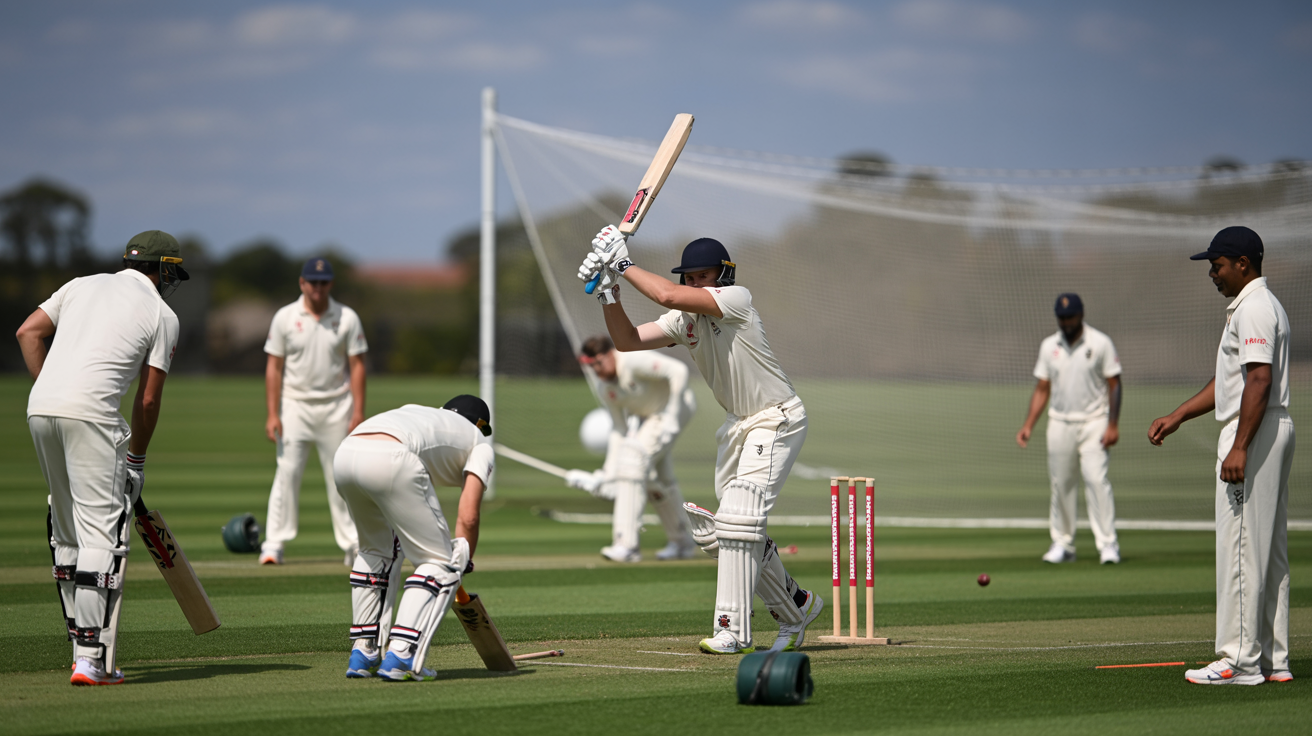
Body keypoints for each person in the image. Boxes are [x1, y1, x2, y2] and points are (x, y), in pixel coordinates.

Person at [578, 227, 822, 654]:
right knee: (724, 532)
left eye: (702, 276)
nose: (694, 284)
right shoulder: (683, 321)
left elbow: (668, 296)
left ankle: (731, 631)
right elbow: (627, 341)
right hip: (736, 426)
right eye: (689, 278)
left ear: (723, 275)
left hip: (776, 418)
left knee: (738, 523)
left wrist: (622, 263)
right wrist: (608, 293)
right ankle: (796, 607)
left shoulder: (736, 299)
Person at [17, 230, 187, 686]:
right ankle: (91, 658)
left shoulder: (80, 284)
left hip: (40, 407)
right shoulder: (161, 313)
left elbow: (28, 332)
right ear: (163, 268)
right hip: (93, 416)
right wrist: (136, 461)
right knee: (101, 535)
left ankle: (79, 647)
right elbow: (148, 402)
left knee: (67, 530)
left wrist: (51, 389)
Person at [1149, 226, 1294, 686]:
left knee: (1241, 548)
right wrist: (1180, 415)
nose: (1212, 274)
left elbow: (1258, 381)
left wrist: (1239, 445)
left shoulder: (1252, 308)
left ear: (1242, 264)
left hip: (1255, 428)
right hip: (1269, 425)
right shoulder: (1259, 306)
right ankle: (1273, 660)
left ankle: (1239, 661)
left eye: (1217, 265)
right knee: (1267, 550)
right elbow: (1233, 379)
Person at [333, 395, 494, 681]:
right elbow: (468, 516)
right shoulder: (480, 442)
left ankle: (363, 652)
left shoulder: (422, 414)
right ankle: (401, 656)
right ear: (481, 425)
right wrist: (462, 561)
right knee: (438, 561)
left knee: (376, 550)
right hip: (392, 457)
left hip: (346, 454)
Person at [260, 257, 368, 566]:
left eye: (323, 283)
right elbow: (274, 368)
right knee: (287, 473)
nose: (318, 288)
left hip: (337, 406)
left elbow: (357, 366)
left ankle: (353, 545)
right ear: (302, 283)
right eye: (312, 282)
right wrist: (272, 413)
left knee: (342, 477)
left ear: (330, 284)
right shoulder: (284, 317)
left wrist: (358, 410)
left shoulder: (346, 317)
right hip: (294, 406)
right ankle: (274, 544)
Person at [567, 335, 698, 562]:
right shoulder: (605, 388)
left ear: (609, 354)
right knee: (656, 478)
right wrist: (607, 473)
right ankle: (682, 542)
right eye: (591, 366)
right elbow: (619, 429)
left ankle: (626, 544)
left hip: (675, 409)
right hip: (649, 418)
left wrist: (672, 415)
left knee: (633, 461)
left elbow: (678, 371)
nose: (597, 371)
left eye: (599, 363)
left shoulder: (632, 361)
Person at [1016, 293, 1123, 564]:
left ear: (1081, 314)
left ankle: (1108, 545)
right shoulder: (1048, 346)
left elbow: (1115, 384)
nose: (1065, 322)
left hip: (1094, 422)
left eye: (1070, 317)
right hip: (1060, 422)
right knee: (1061, 483)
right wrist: (1028, 425)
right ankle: (1063, 545)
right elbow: (1042, 388)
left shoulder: (1100, 343)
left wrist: (1112, 424)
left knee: (1096, 480)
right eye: (1061, 317)